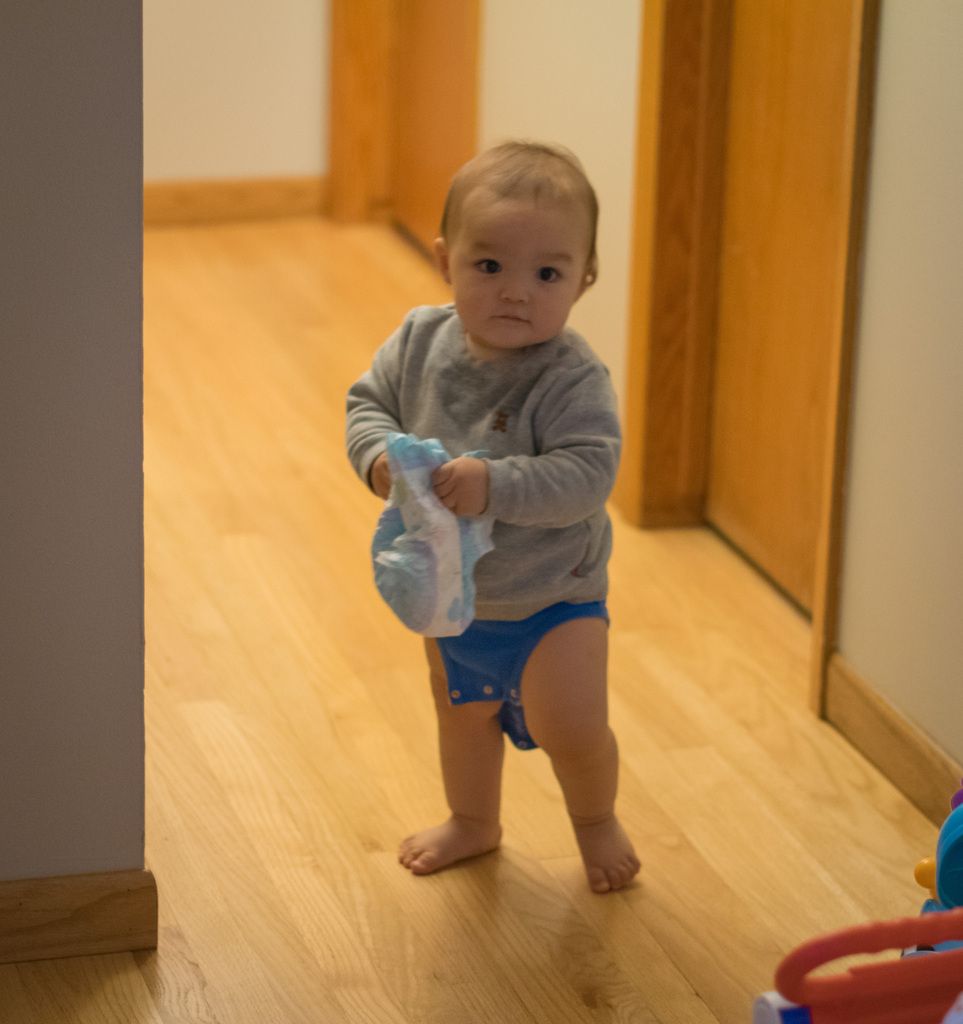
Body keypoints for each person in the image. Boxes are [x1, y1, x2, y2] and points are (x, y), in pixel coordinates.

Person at [346, 140, 640, 893]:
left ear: (584, 278)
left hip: (553, 597)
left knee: (571, 728)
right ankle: (473, 821)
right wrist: (377, 458)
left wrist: (496, 485)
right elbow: (367, 405)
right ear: (445, 261)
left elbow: (588, 476)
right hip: (449, 595)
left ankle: (595, 821)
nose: (516, 292)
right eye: (489, 265)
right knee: (461, 720)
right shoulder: (418, 341)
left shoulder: (570, 378)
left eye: (546, 274)